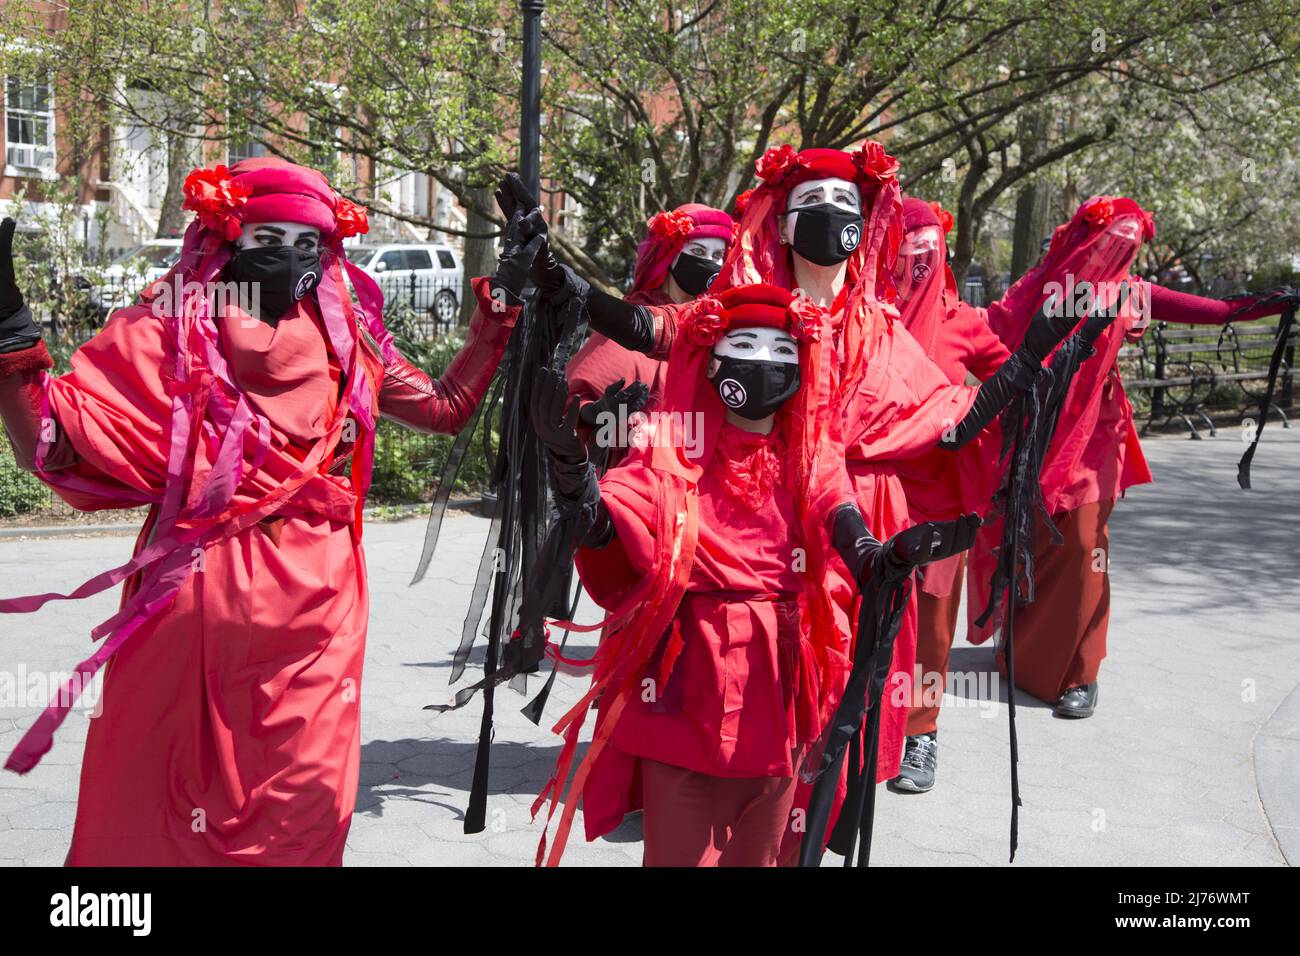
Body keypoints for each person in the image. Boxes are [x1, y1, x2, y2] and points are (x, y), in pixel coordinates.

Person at [520, 140, 1098, 861]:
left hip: (843, 534)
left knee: (817, 742)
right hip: (728, 516)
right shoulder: (739, 307)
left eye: (843, 205)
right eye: (810, 204)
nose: (828, 219)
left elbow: (951, 422)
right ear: (781, 220)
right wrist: (566, 287)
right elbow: (652, 327)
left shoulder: (879, 329)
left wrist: (1027, 365)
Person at [0, 158, 541, 865]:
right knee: (193, 810)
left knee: (279, 812)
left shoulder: (346, 341)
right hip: (206, 608)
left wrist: (502, 299)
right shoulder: (175, 337)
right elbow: (56, 440)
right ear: (225, 244)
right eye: (267, 240)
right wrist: (10, 332)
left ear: (328, 251)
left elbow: (443, 407)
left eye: (305, 243)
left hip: (304, 622)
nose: (288, 258)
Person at [527, 282, 979, 866]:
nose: (762, 361)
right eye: (744, 345)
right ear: (712, 360)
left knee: (769, 852)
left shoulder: (811, 449)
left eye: (780, 349)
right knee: (679, 853)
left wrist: (875, 557)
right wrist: (574, 480)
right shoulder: (674, 445)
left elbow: (832, 503)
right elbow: (625, 518)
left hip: (781, 683)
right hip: (688, 678)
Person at [964, 195, 1290, 720]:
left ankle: (1081, 673)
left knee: (1088, 546)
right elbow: (983, 333)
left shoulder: (1132, 293)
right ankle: (1023, 655)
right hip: (1035, 432)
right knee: (1035, 537)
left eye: (1130, 244)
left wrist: (1281, 300)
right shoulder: (1037, 288)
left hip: (1097, 436)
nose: (1120, 251)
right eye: (1111, 239)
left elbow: (1221, 311)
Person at [887, 197, 1011, 793]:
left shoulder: (965, 321)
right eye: (905, 247)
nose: (915, 260)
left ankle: (920, 734)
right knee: (868, 615)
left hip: (940, 503)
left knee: (932, 627)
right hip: (871, 493)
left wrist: (968, 415)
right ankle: (864, 728)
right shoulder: (867, 314)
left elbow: (1009, 382)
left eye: (927, 250)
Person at [565, 203, 733, 467]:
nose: (710, 263)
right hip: (637, 484)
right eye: (698, 252)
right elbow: (572, 406)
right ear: (668, 256)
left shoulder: (722, 331)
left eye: (718, 255)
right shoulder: (634, 324)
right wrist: (602, 416)